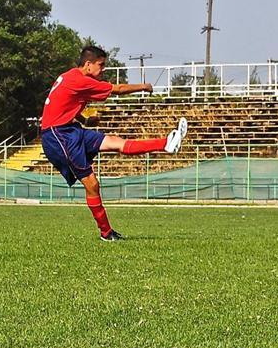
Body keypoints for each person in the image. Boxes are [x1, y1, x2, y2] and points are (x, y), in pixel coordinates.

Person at [40, 46, 187, 241]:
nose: (102, 70)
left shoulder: (70, 77)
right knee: (92, 184)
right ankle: (106, 233)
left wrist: (85, 121)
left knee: (116, 143)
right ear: (88, 64)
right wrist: (143, 87)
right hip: (58, 136)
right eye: (101, 65)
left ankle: (166, 143)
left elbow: (64, 103)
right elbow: (118, 90)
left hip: (70, 129)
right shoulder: (79, 80)